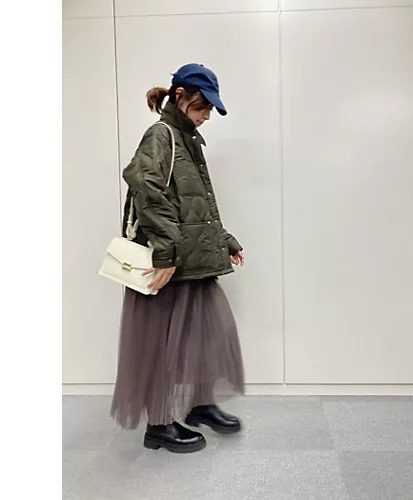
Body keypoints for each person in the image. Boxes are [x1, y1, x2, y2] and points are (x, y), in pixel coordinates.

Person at [110, 63, 246, 454]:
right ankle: (159, 425)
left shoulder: (189, 139)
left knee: (201, 337)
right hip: (171, 265)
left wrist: (225, 240)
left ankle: (200, 404)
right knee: (162, 343)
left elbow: (197, 203)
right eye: (204, 107)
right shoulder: (162, 135)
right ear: (181, 96)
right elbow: (146, 188)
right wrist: (166, 253)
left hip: (194, 260)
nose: (207, 116)